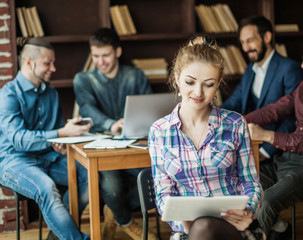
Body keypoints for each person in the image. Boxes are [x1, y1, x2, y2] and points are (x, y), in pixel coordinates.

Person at [148, 36, 264, 240]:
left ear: (218, 83)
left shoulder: (235, 124)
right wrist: (180, 220)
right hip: (187, 230)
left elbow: (251, 182)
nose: (198, 92)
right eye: (190, 82)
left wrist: (248, 210)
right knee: (200, 229)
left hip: (234, 228)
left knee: (203, 230)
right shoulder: (159, 132)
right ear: (176, 78)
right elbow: (163, 194)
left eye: (208, 84)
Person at [0, 38, 91, 240]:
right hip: (14, 160)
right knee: (46, 188)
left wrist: (61, 144)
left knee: (88, 176)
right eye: (47, 63)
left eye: (53, 62)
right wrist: (60, 133)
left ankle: (58, 235)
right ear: (29, 62)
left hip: (48, 158)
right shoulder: (8, 95)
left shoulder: (51, 94)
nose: (53, 68)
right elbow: (19, 140)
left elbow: (55, 135)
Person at [73, 28, 156, 240]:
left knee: (158, 177)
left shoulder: (135, 75)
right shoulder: (82, 79)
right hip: (100, 146)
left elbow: (149, 110)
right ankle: (126, 221)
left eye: (106, 55)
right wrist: (111, 124)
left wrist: (133, 125)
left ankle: (115, 213)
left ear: (118, 51)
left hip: (134, 141)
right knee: (111, 186)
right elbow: (86, 109)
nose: (101, 61)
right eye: (96, 56)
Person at [221, 15, 302, 162]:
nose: (245, 48)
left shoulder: (290, 68)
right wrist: (213, 116)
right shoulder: (250, 69)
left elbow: (291, 118)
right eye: (242, 42)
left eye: (250, 40)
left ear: (267, 37)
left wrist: (264, 152)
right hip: (249, 144)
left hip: (276, 152)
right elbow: (234, 102)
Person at [245, 59, 303, 239]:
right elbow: (274, 110)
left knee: (267, 200)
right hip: (285, 158)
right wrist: (239, 122)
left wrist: (265, 135)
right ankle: (277, 227)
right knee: (247, 187)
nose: (301, 65)